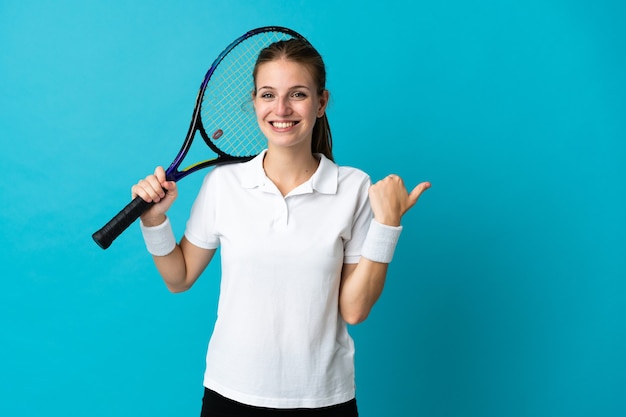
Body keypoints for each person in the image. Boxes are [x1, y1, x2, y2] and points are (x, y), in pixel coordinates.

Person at [132, 38, 430, 417]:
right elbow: (180, 277)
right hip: (230, 395)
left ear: (321, 103)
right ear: (254, 101)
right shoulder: (224, 185)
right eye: (268, 94)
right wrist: (154, 220)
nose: (282, 109)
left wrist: (387, 225)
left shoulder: (354, 188)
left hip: (324, 399)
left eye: (298, 94)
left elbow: (354, 311)